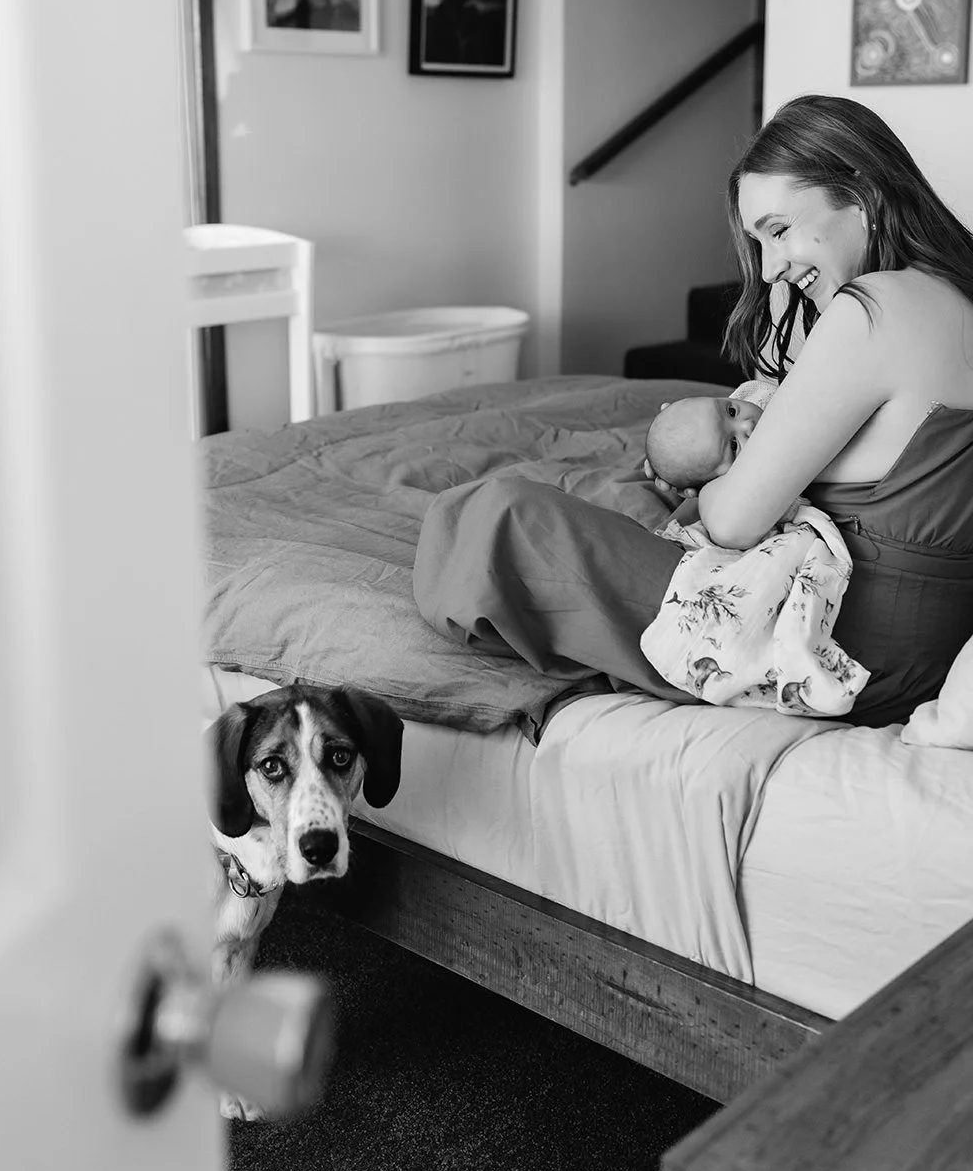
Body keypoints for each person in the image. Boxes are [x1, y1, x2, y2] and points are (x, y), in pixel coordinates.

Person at [414, 95, 973, 727]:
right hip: (922, 648)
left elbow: (733, 522)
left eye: (779, 230)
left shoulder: (872, 309)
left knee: (492, 517)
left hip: (832, 647)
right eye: (759, 243)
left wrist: (708, 492)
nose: (770, 269)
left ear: (861, 190)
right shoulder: (953, 295)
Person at [644, 380, 776, 490]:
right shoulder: (762, 485)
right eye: (734, 445)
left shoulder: (762, 396)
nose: (748, 425)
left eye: (732, 412)